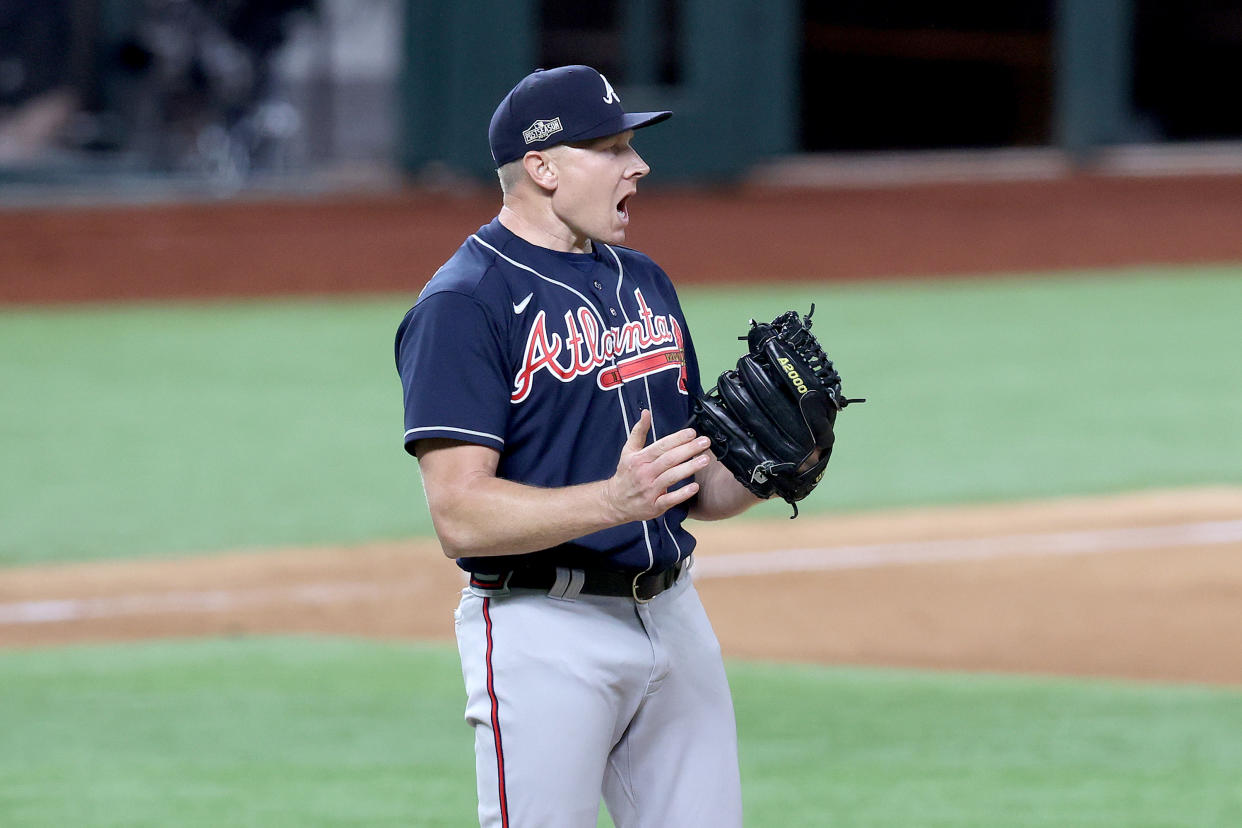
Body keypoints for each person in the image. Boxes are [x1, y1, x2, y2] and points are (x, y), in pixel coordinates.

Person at [394, 65, 762, 828]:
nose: (639, 166)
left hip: (674, 616)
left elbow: (688, 484)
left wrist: (773, 470)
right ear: (543, 167)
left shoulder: (645, 281)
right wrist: (611, 501)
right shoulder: (464, 304)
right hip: (544, 633)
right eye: (614, 148)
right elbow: (459, 515)